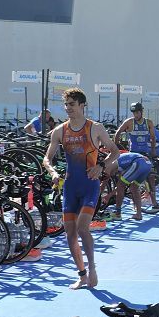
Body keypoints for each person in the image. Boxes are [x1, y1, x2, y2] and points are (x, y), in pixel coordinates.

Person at [43, 88, 119, 289]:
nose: (68, 108)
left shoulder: (95, 128)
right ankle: (82, 274)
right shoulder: (60, 131)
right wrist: (52, 172)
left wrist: (101, 166)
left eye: (72, 104)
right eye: (66, 105)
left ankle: (92, 268)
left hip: (89, 186)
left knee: (82, 227)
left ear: (82, 105)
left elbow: (115, 152)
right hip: (70, 186)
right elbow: (46, 158)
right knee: (70, 234)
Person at [114, 102, 159, 212]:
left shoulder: (148, 123)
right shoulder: (129, 122)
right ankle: (134, 204)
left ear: (141, 112)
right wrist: (116, 147)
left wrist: (153, 150)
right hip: (133, 154)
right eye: (134, 113)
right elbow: (118, 132)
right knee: (131, 180)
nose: (135, 115)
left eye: (137, 112)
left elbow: (153, 138)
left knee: (151, 177)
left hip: (145, 153)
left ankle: (154, 201)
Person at [113, 151, 154, 222]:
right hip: (147, 164)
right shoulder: (120, 160)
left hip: (138, 163)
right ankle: (139, 214)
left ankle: (117, 213)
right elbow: (121, 176)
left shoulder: (114, 163)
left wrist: (108, 196)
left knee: (120, 186)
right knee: (134, 188)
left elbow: (116, 183)